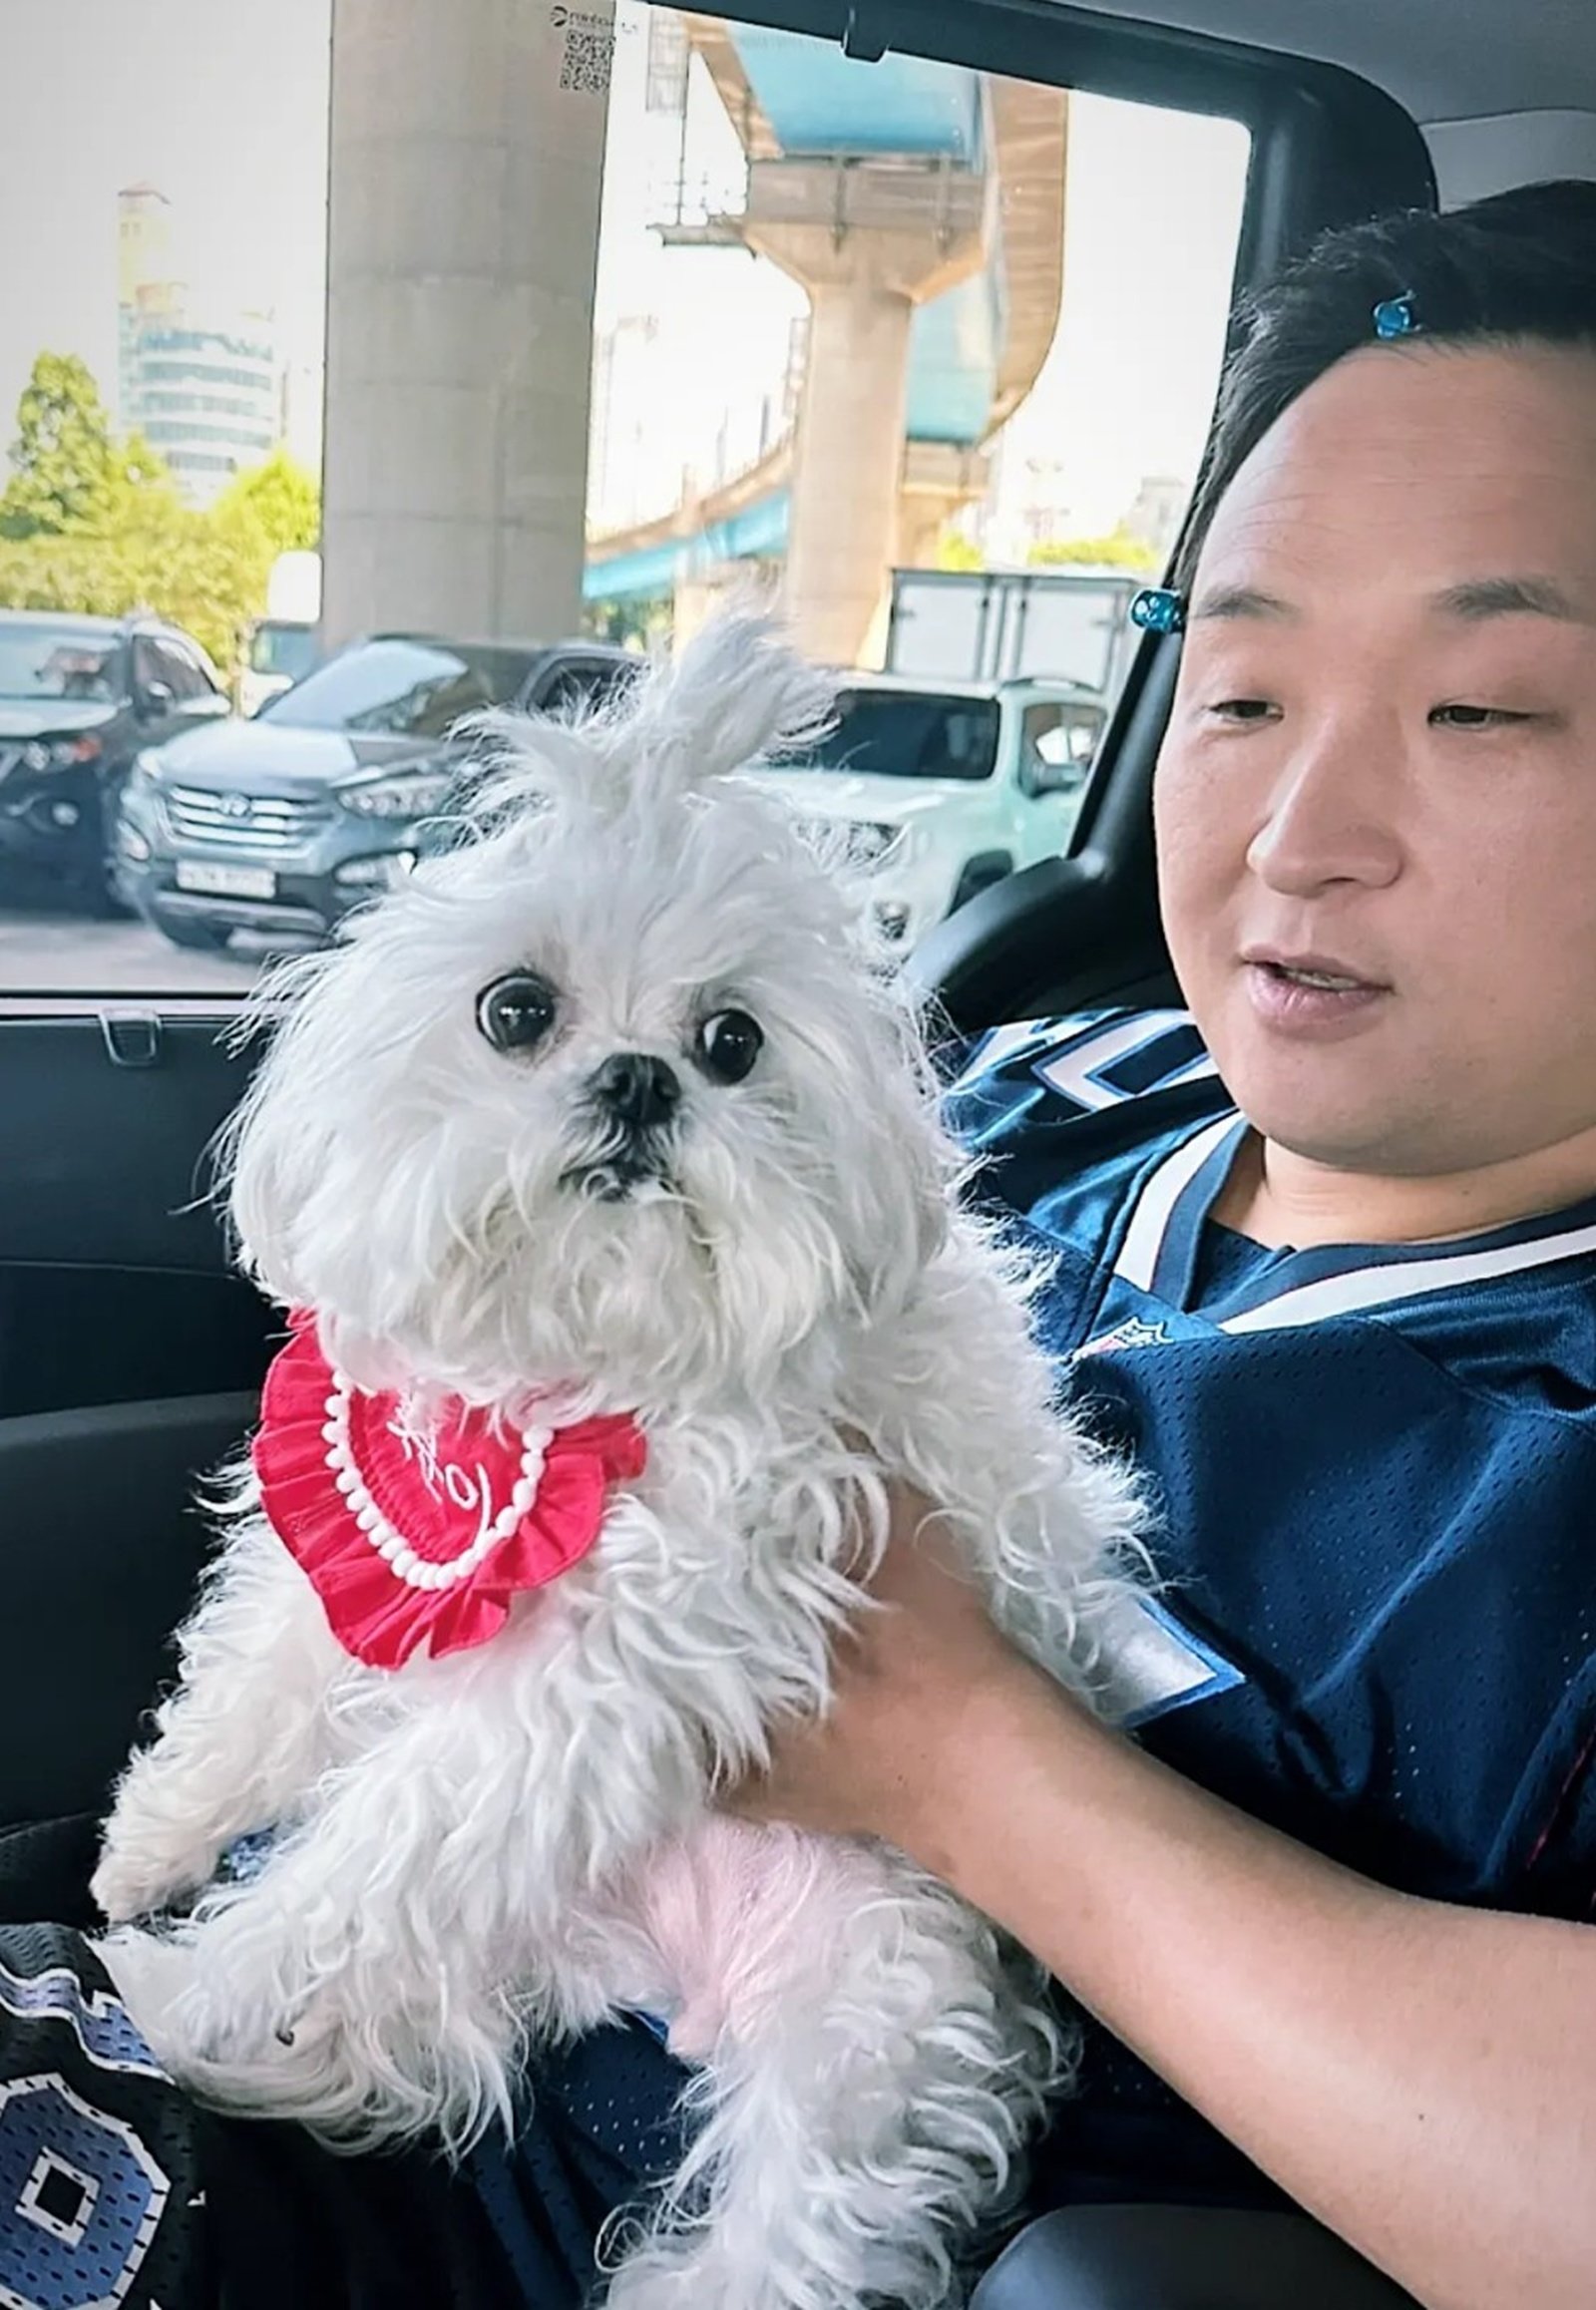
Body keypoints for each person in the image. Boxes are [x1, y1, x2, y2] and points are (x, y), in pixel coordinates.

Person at [3, 175, 1596, 2310]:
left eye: (1480, 708)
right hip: (274, 2011)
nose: (1301, 836)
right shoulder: (1043, 1085)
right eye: (1237, 696)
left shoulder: (1536, 1464)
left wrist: (959, 1750)